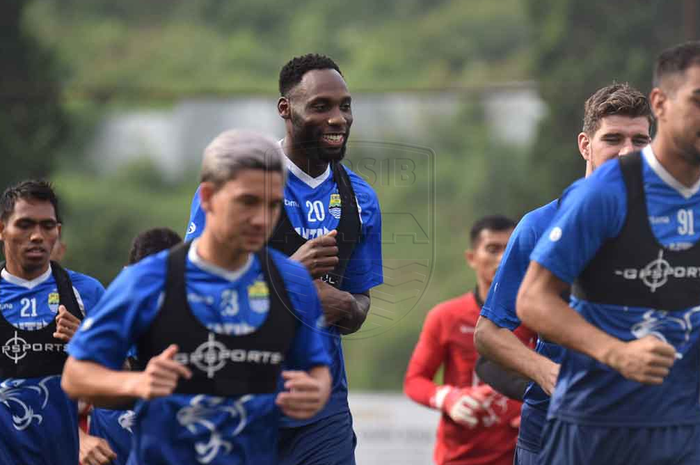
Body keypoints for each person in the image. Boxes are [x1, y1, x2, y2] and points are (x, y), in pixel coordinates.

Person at [62, 130, 332, 465]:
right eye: (247, 202)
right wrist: (138, 382)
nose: (263, 219)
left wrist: (316, 391)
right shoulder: (148, 280)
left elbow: (318, 370)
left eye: (273, 204)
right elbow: (76, 376)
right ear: (208, 197)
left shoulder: (292, 283)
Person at [185, 53, 383, 465]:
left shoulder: (361, 199)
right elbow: (193, 296)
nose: (338, 119)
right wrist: (288, 275)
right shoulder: (233, 188)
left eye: (345, 106)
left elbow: (359, 303)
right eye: (321, 106)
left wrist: (348, 306)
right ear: (285, 109)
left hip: (321, 410)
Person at [516, 41, 700, 464]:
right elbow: (532, 300)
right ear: (662, 103)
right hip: (597, 428)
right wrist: (616, 352)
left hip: (683, 428)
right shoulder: (605, 191)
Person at [473, 82, 653, 464]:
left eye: (640, 140)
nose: (627, 152)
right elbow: (489, 334)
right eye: (613, 139)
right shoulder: (540, 226)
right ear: (585, 145)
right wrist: (545, 372)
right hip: (556, 435)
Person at [404, 215, 524, 465]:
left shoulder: (538, 317)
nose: (502, 258)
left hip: (522, 454)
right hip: (461, 456)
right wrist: (448, 398)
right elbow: (415, 381)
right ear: (472, 258)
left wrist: (538, 409)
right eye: (492, 249)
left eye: (510, 249)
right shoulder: (446, 316)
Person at [0, 179, 105, 465]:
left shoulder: (87, 292)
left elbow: (125, 377)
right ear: (2, 230)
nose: (37, 236)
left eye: (47, 226)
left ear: (57, 232)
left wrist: (88, 344)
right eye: (24, 225)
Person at [85, 227, 183, 465]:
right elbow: (70, 387)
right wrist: (79, 439)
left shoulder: (201, 328)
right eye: (146, 280)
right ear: (128, 274)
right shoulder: (106, 319)